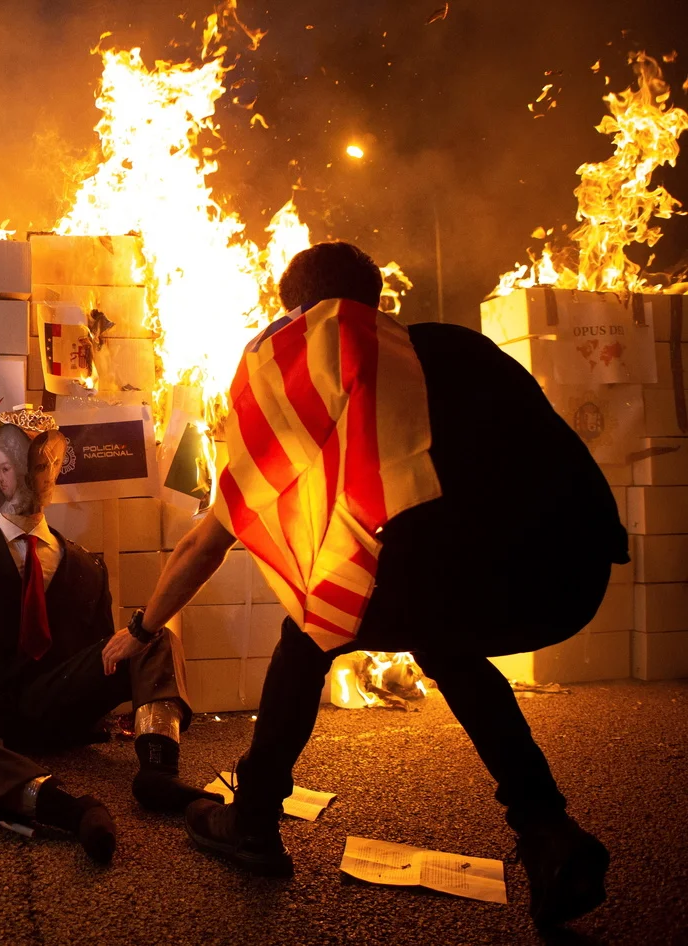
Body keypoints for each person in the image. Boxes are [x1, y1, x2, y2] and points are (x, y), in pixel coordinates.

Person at [102, 242, 626, 928]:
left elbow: (210, 537)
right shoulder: (459, 347)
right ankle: (550, 835)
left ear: (305, 317)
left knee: (313, 623)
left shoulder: (333, 375)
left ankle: (254, 819)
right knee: (445, 640)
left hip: (471, 573)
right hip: (570, 571)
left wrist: (139, 629)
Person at [0, 407, 218, 863]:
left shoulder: (85, 565)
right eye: (4, 468)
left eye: (37, 467)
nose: (19, 480)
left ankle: (159, 771)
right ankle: (65, 808)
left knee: (150, 634)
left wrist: (126, 682)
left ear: (55, 470)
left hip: (58, 701)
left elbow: (104, 652)